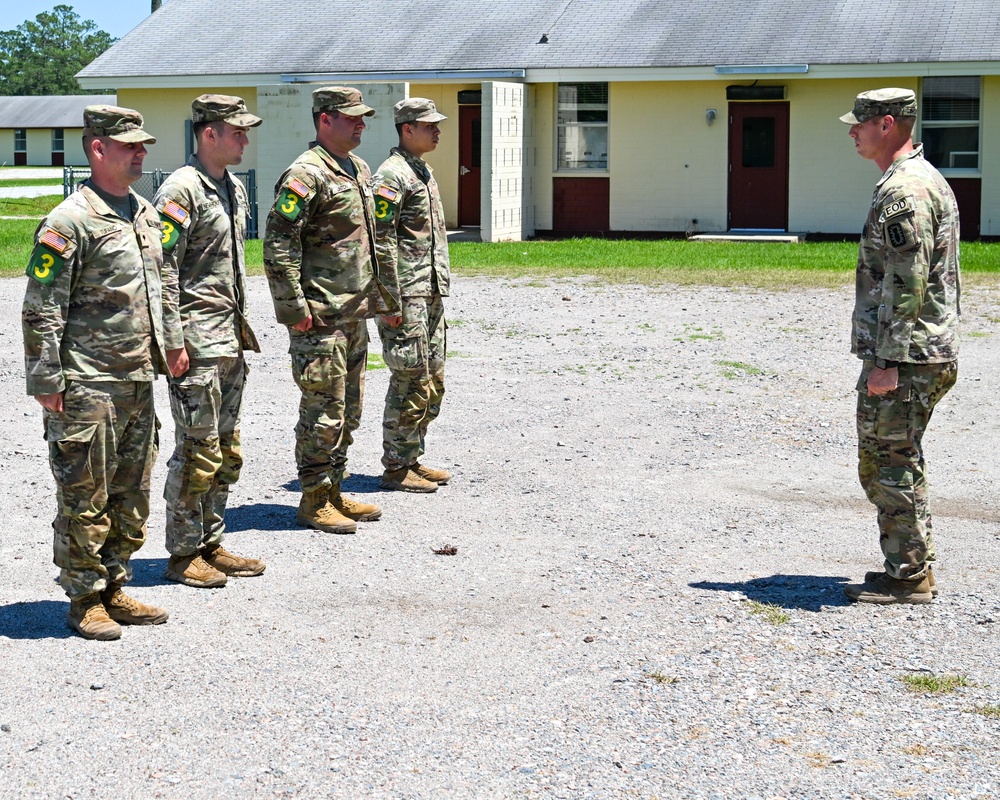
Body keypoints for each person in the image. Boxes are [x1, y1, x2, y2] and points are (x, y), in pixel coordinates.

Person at [22, 105, 182, 639]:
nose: (141, 153)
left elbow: (165, 287)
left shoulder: (143, 212)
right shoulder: (69, 220)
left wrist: (173, 346)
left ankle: (115, 584)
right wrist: (46, 379)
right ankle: (83, 597)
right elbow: (42, 306)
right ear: (97, 149)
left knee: (130, 493)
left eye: (143, 145)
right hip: (88, 384)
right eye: (130, 145)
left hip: (138, 379)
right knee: (84, 494)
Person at [840, 88, 961, 605]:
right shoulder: (922, 179)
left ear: (886, 123)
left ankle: (907, 577)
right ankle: (911, 567)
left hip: (906, 357)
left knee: (886, 462)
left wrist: (885, 361)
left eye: (859, 124)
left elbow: (905, 284)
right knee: (898, 457)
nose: (852, 132)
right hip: (921, 351)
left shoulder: (904, 193)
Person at [263, 86, 397, 533]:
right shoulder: (305, 175)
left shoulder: (355, 167)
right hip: (320, 317)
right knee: (323, 410)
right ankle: (314, 498)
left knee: (350, 409)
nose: (361, 124)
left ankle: (334, 488)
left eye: (363, 117)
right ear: (324, 119)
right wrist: (293, 309)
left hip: (354, 313)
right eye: (352, 117)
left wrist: (381, 300)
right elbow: (279, 245)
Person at [153, 94, 266, 588]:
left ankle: (210, 542)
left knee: (224, 447)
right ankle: (182, 553)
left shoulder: (233, 188)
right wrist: (172, 342)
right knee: (197, 449)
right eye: (237, 131)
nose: (245, 139)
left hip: (229, 341)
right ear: (208, 134)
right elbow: (162, 271)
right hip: (195, 345)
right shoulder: (182, 191)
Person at [372, 98, 453, 493]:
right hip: (405, 296)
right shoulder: (391, 177)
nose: (437, 130)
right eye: (429, 125)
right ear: (407, 129)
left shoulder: (420, 171)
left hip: (430, 291)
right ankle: (396, 466)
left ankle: (412, 458)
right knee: (409, 378)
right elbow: (379, 242)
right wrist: (387, 300)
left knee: (432, 378)